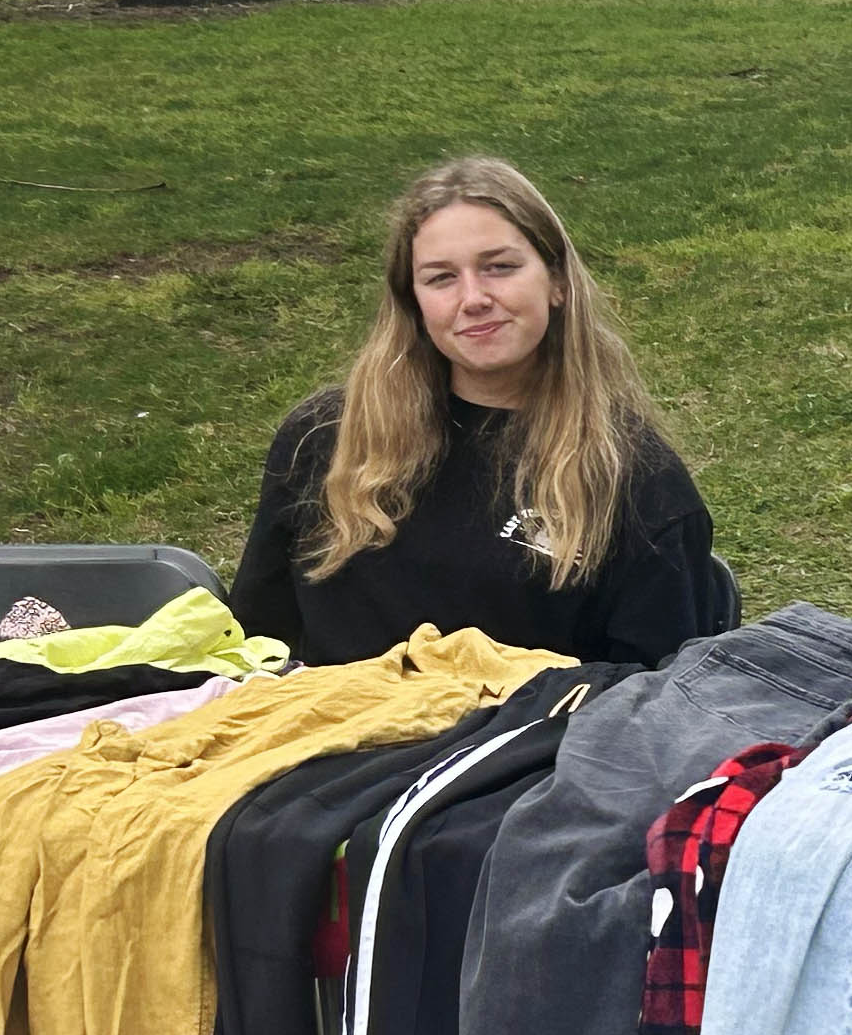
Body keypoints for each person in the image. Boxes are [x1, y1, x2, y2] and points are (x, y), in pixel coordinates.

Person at [230, 158, 725, 669]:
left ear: (557, 281)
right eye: (441, 278)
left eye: (500, 267)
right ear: (413, 301)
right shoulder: (323, 439)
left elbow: (660, 699)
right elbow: (251, 650)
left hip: (533, 724)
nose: (473, 299)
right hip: (323, 719)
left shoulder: (640, 482)